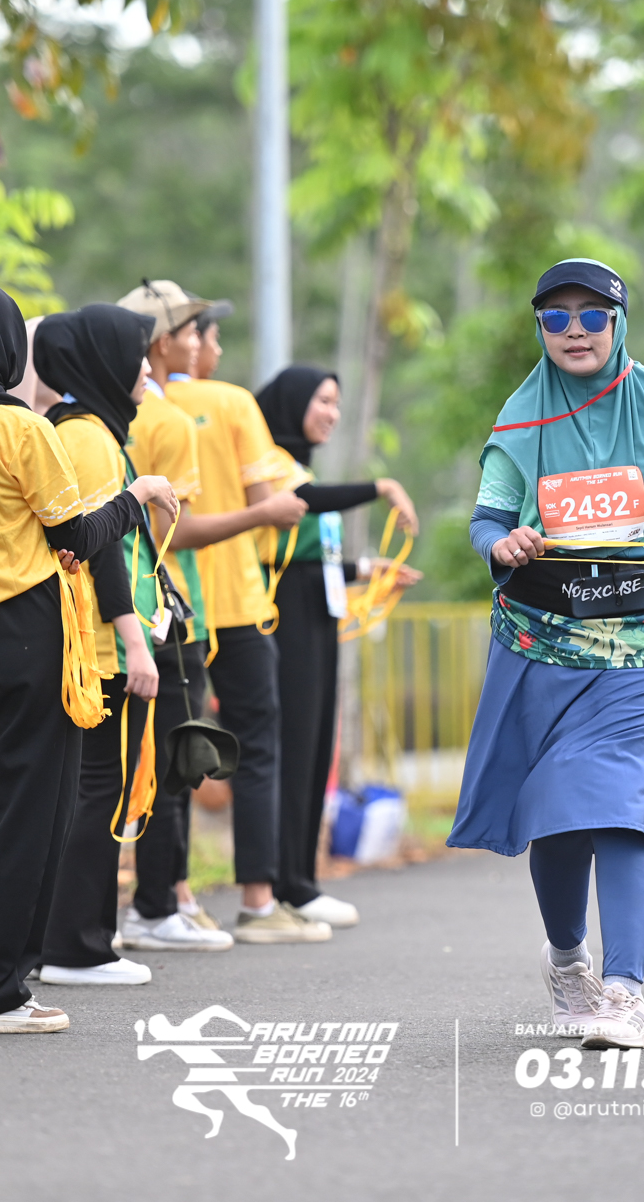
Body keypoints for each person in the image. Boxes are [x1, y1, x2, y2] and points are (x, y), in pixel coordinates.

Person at [450, 258, 644, 1050]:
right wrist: (501, 543)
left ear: (619, 322)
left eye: (591, 316)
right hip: (540, 645)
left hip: (641, 642)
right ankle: (568, 959)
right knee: (557, 815)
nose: (574, 331)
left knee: (623, 810)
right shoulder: (520, 419)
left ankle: (625, 992)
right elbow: (487, 521)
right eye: (556, 318)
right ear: (540, 328)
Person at [0, 282, 175, 1033]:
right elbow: (76, 539)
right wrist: (138, 495)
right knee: (31, 817)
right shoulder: (21, 429)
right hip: (28, 635)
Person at [117, 281, 324, 944]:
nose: (207, 342)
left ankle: (173, 895)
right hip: (205, 603)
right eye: (193, 329)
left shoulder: (114, 413)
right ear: (162, 341)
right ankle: (252, 899)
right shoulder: (222, 404)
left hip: (143, 605)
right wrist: (270, 511)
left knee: (159, 753)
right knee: (241, 747)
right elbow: (264, 502)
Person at [254, 365, 423, 928]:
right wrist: (381, 487)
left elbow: (310, 559)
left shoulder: (297, 466)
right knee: (294, 747)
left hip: (315, 613)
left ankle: (302, 880)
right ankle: (285, 883)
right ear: (293, 403)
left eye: (336, 403)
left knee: (315, 746)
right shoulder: (269, 465)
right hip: (283, 618)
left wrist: (365, 569)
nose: (333, 413)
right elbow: (306, 504)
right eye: (323, 401)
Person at [34, 304, 167, 987]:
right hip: (94, 645)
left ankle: (64, 942)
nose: (147, 369)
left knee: (84, 791)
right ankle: (78, 948)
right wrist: (133, 641)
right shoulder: (89, 437)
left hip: (87, 640)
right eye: (136, 353)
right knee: (97, 791)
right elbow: (98, 545)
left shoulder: (83, 429)